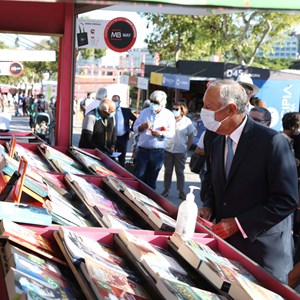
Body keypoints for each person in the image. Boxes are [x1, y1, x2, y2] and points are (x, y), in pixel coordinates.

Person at [198, 79, 298, 283]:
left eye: (209, 107)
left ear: (231, 109)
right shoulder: (216, 139)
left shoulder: (271, 142)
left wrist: (238, 224)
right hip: (226, 250)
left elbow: (286, 200)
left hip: (263, 253)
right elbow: (216, 186)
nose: (203, 112)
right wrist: (208, 206)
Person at [133, 90, 175, 190]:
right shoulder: (144, 112)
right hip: (143, 150)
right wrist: (141, 127)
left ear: (162, 104)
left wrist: (160, 133)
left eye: (156, 103)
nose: (153, 104)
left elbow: (171, 134)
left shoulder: (168, 115)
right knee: (139, 178)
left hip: (157, 152)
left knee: (151, 181)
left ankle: (149, 202)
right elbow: (134, 128)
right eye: (152, 101)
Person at [162, 102, 196, 200]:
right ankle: (166, 190)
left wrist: (187, 147)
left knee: (179, 172)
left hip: (180, 150)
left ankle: (181, 191)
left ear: (182, 111)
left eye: (177, 109)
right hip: (168, 149)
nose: (174, 111)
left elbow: (191, 134)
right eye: (173, 108)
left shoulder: (187, 121)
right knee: (167, 171)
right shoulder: (169, 119)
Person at [112, 94, 137, 167]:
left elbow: (135, 119)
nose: (114, 102)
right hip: (112, 139)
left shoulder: (126, 111)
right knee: (111, 158)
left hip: (123, 138)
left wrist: (131, 130)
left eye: (116, 101)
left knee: (121, 159)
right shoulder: (109, 111)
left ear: (119, 101)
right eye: (113, 101)